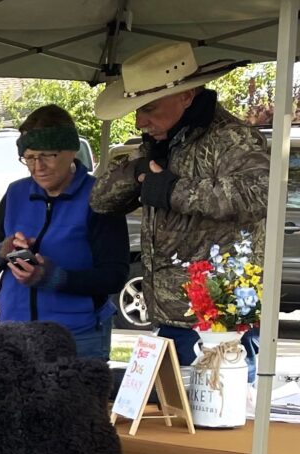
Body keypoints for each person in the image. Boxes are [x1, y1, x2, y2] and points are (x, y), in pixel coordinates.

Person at [90, 41, 269, 371]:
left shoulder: (232, 138)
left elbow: (259, 195)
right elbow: (100, 200)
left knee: (222, 419)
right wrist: (139, 172)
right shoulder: (162, 143)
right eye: (138, 110)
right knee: (170, 420)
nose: (140, 122)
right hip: (167, 315)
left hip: (219, 324)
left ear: (186, 96)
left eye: (150, 108)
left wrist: (173, 190)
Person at [0, 105, 129, 360]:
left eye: (48, 155)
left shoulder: (98, 197)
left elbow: (113, 276)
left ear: (70, 152)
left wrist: (54, 278)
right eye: (30, 157)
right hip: (13, 336)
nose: (38, 167)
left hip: (76, 337)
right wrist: (3, 250)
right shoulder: (15, 194)